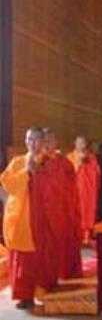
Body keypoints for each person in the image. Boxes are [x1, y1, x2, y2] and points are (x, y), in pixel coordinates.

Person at [0, 128, 50, 308]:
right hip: (22, 218)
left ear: (42, 142)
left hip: (42, 217)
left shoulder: (48, 163)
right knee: (23, 259)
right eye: (29, 139)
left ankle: (43, 291)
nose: (32, 143)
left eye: (36, 139)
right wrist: (26, 172)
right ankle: (25, 295)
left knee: (42, 256)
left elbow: (55, 189)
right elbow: (8, 184)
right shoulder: (18, 162)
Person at [38, 129, 82, 281]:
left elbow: (72, 187)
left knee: (62, 241)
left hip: (62, 208)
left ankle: (62, 271)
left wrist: (71, 207)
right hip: (42, 209)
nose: (48, 144)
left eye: (51, 140)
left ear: (56, 142)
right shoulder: (37, 162)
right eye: (45, 141)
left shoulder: (64, 162)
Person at [67, 136, 101, 246]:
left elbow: (97, 174)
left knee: (89, 212)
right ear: (75, 144)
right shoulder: (70, 157)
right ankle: (77, 237)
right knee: (77, 213)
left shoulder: (91, 157)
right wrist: (78, 164)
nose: (82, 145)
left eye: (84, 143)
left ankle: (87, 237)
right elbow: (67, 174)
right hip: (76, 191)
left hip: (88, 191)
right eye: (80, 143)